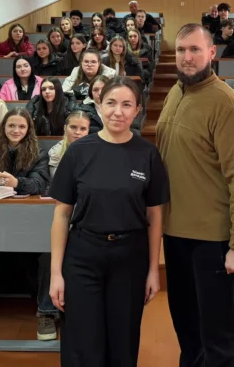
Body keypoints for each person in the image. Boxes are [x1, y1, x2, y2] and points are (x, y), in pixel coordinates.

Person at [48, 77, 169, 366]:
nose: (118, 111)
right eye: (111, 103)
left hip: (130, 257)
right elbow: (62, 214)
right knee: (83, 342)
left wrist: (153, 270)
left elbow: (155, 216)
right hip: (83, 255)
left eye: (127, 105)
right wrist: (55, 274)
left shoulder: (148, 154)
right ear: (99, 105)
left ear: (137, 110)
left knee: (123, 340)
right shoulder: (78, 152)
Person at [156, 24, 234, 367]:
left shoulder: (226, 104)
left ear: (212, 53)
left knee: (217, 335)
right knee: (187, 328)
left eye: (195, 49)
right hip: (176, 234)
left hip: (213, 240)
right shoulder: (175, 92)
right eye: (181, 50)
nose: (187, 57)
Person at [36, 110, 92, 342]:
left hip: (85, 219)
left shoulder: (94, 152)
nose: (78, 133)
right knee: (48, 254)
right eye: (73, 128)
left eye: (83, 129)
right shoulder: (53, 154)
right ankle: (46, 312)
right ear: (65, 129)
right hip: (56, 216)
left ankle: (80, 312)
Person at [0, 108, 51, 195]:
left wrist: (17, 183)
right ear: (4, 127)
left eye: (22, 127)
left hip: (26, 202)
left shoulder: (39, 155)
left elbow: (39, 185)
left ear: (28, 129)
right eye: (11, 126)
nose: (16, 131)